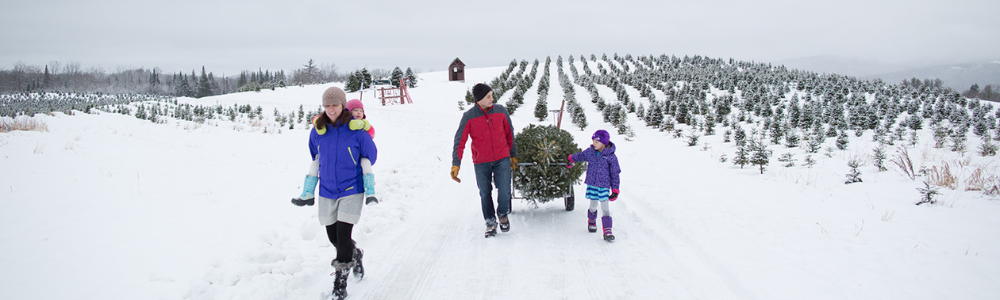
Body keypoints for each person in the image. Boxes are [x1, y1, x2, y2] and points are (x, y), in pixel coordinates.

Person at [300, 87, 377, 300]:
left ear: (343, 105)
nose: (331, 109)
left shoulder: (356, 131)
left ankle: (339, 285)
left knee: (343, 235)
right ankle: (356, 254)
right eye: (327, 105)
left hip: (351, 188)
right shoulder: (318, 130)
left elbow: (371, 155)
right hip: (327, 189)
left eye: (334, 104)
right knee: (333, 236)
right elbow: (314, 154)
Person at [451, 83, 518, 238]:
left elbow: (510, 132)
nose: (492, 98)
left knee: (505, 190)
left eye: (492, 95)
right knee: (485, 193)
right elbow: (459, 140)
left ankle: (502, 214)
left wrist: (512, 154)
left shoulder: (501, 111)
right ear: (479, 99)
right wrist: (456, 164)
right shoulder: (469, 117)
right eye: (488, 96)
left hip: (502, 158)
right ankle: (490, 222)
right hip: (481, 162)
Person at [567, 129, 621, 241]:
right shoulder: (590, 152)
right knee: (593, 206)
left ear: (604, 143)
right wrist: (571, 159)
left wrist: (615, 189)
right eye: (593, 141)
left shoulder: (610, 156)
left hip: (604, 186)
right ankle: (591, 220)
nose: (594, 144)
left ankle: (607, 230)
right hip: (593, 185)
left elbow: (615, 173)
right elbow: (580, 156)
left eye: (596, 142)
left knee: (605, 207)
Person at [345, 99, 379, 204]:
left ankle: (370, 191)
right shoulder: (344, 125)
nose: (359, 112)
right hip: (349, 155)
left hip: (362, 154)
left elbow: (372, 134)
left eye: (361, 110)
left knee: (366, 164)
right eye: (355, 110)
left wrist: (363, 125)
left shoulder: (364, 125)